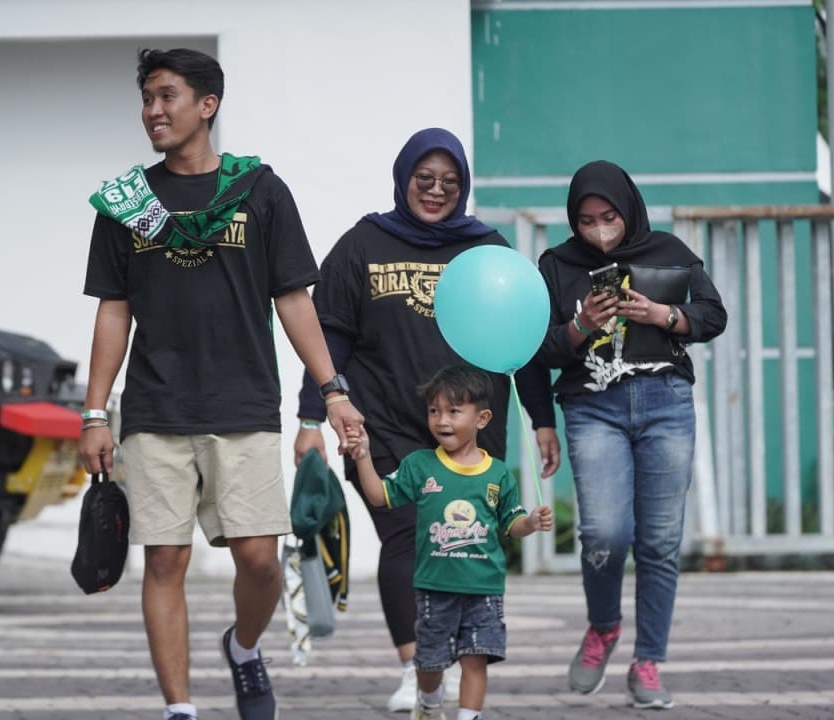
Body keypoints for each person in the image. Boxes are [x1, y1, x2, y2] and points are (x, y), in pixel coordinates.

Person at [78, 48, 363, 720]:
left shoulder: (260, 191)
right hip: (155, 406)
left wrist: (333, 388)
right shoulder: (128, 202)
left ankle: (243, 646)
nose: (153, 111)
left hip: (244, 403)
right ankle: (180, 708)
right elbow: (113, 311)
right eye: (147, 98)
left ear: (208, 104)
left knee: (260, 560)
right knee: (163, 564)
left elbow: (294, 300)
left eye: (167, 96)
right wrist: (94, 413)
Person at [292, 127, 561, 712]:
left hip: (470, 429)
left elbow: (523, 335)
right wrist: (312, 417)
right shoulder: (363, 244)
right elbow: (329, 333)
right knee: (404, 534)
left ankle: (452, 663)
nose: (436, 191)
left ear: (462, 188)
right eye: (425, 179)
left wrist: (543, 418)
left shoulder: (486, 248)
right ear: (404, 178)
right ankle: (417, 668)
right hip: (382, 420)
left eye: (450, 182)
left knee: (457, 542)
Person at [534, 160, 727, 709]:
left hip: (666, 404)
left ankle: (648, 663)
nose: (599, 229)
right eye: (586, 219)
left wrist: (662, 314)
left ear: (629, 210)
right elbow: (534, 351)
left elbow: (713, 316)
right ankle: (603, 627)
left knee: (661, 541)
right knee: (603, 532)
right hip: (593, 407)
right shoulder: (555, 265)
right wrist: (579, 328)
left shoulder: (668, 250)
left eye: (609, 216)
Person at [348, 364, 553, 720]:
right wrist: (364, 455)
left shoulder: (497, 473)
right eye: (434, 411)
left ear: (483, 418)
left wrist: (531, 522)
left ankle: (468, 715)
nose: (442, 420)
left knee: (476, 658)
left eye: (454, 411)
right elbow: (380, 496)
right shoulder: (419, 466)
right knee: (429, 661)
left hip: (484, 588)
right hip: (434, 588)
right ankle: (428, 702)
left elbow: (511, 522)